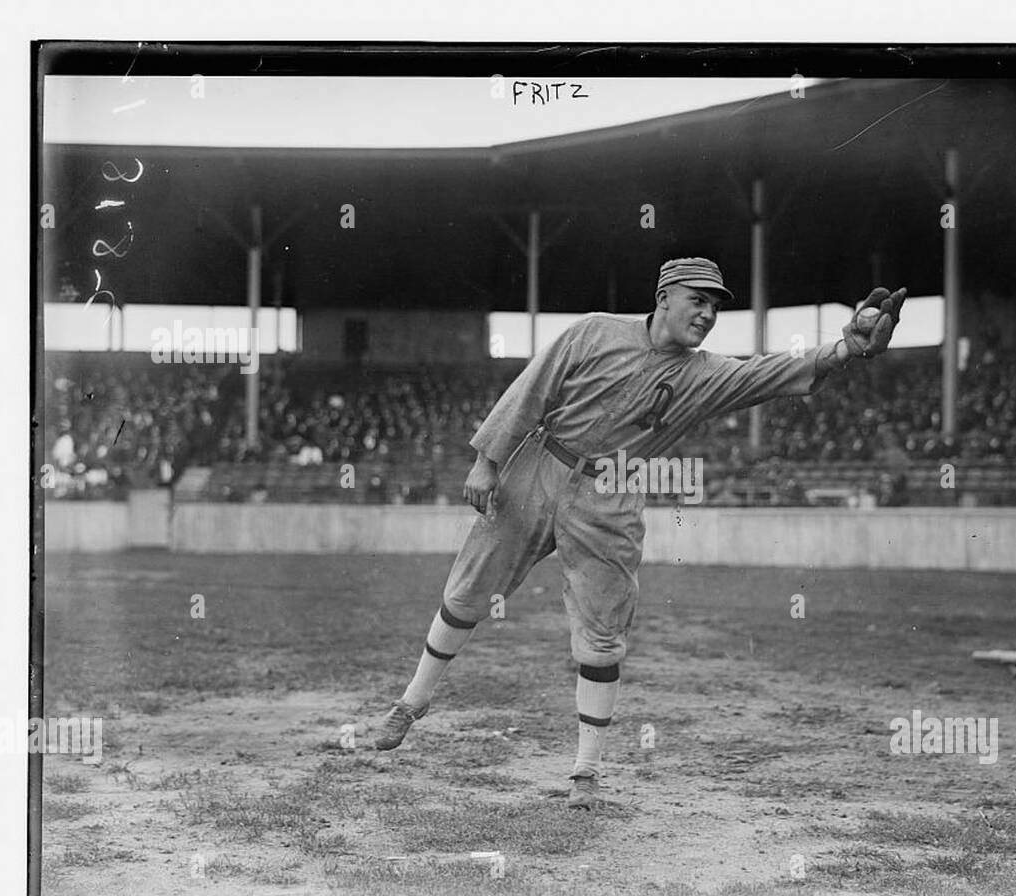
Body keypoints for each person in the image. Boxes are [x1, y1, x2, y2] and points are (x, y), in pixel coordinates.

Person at [374, 258, 906, 808]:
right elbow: (530, 389)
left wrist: (845, 349)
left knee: (603, 632)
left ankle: (585, 773)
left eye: (716, 306)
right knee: (467, 592)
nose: (708, 314)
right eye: (698, 300)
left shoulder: (705, 374)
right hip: (539, 466)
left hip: (611, 495)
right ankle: (412, 703)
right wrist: (489, 459)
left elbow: (769, 374)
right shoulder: (593, 332)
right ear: (664, 297)